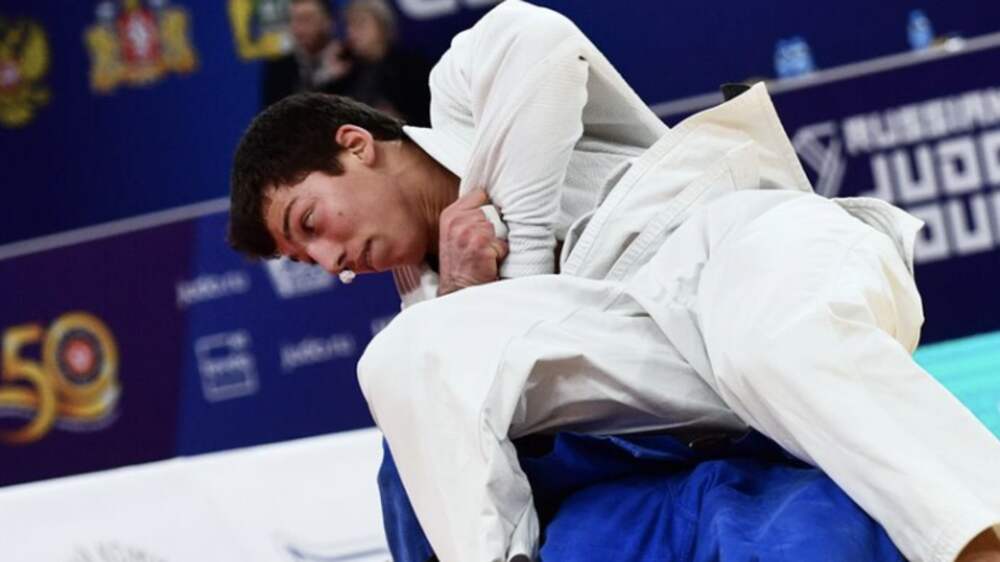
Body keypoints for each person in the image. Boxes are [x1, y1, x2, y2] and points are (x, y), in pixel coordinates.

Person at [228, 2, 1000, 561]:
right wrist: (473, 301)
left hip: (733, 252)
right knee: (400, 357)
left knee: (765, 344)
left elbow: (539, 41)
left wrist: (515, 261)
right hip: (667, 380)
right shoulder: (437, 317)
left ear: (357, 144)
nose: (331, 263)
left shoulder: (463, 103)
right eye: (307, 260)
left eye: (309, 223)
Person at [342, 0, 431, 126]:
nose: (351, 33)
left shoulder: (413, 68)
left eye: (360, 24)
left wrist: (399, 121)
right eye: (349, 26)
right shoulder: (346, 72)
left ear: (383, 27)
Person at [260, 0, 354, 107]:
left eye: (306, 19)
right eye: (293, 20)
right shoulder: (279, 68)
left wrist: (331, 81)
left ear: (328, 21)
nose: (298, 28)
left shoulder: (348, 61)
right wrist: (322, 79)